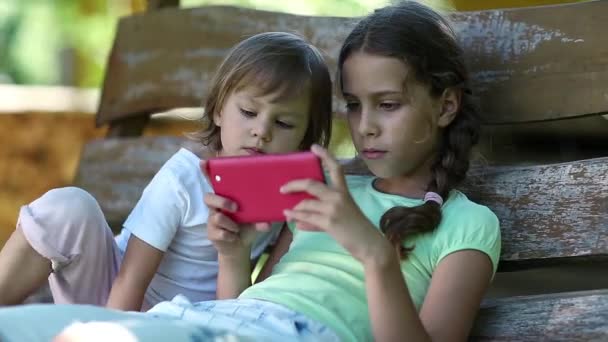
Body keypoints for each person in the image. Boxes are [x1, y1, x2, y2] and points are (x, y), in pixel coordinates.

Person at [0, 2, 500, 341]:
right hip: (215, 321)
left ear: (446, 106)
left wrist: (373, 252)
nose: (365, 127)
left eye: (387, 104)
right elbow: (247, 299)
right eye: (354, 105)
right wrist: (234, 255)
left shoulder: (468, 226)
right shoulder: (324, 192)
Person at [0, 31, 333, 312]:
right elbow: (130, 279)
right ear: (218, 111)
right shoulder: (184, 178)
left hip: (191, 321)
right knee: (69, 207)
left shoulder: (292, 198)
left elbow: (252, 304)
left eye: (284, 122)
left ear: (305, 136)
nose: (262, 131)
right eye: (248, 112)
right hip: (114, 299)